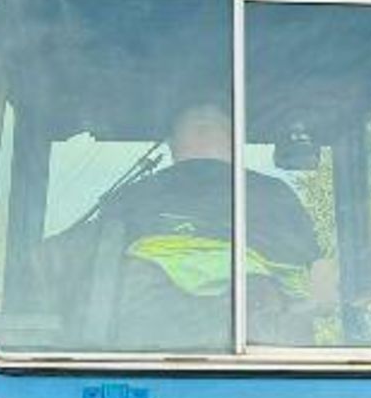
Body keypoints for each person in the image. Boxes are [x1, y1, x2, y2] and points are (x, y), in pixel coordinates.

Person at [57, 101, 324, 348]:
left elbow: (79, 276)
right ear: (235, 142)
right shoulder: (276, 196)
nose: (204, 129)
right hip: (261, 358)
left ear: (173, 146)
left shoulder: (131, 198)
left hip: (143, 360)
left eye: (210, 124)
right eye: (198, 124)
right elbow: (314, 280)